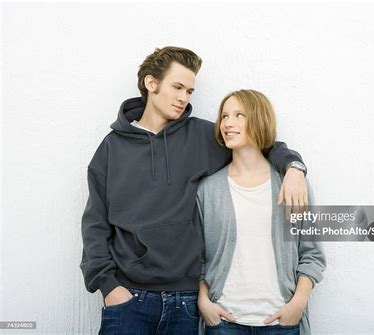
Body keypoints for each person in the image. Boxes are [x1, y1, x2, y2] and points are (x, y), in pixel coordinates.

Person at [80, 47, 309, 335]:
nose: (184, 98)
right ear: (152, 84)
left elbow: (258, 143)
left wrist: (294, 167)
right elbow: (94, 224)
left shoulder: (202, 136)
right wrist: (108, 286)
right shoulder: (112, 148)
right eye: (177, 87)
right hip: (128, 298)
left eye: (189, 90)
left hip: (186, 303)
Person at [196, 89, 326, 335]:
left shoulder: (292, 183)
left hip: (281, 322)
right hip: (223, 323)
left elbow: (312, 255)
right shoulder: (207, 189)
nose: (227, 123)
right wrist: (205, 302)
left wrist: (297, 304)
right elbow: (200, 258)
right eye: (224, 116)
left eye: (238, 115)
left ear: (259, 119)